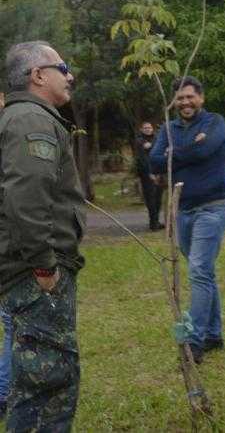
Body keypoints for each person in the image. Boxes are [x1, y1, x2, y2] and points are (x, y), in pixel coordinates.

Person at [0, 41, 86, 431]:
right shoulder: (32, 121)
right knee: (47, 381)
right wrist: (44, 267)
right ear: (37, 75)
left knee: (41, 377)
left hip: (27, 270)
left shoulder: (25, 118)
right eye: (61, 67)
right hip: (34, 275)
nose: (69, 76)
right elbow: (27, 199)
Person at [150, 76, 225, 364]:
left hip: (212, 208)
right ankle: (213, 334)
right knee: (203, 272)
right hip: (181, 210)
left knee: (198, 270)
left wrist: (175, 154)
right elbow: (154, 162)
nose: (185, 102)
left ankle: (194, 342)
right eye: (180, 98)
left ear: (201, 98)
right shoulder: (168, 129)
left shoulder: (215, 123)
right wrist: (182, 152)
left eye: (190, 97)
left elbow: (205, 149)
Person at [134, 121, 164, 231]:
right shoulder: (139, 141)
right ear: (141, 130)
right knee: (150, 199)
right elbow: (143, 160)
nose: (148, 129)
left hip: (158, 173)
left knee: (158, 198)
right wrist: (150, 173)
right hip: (147, 174)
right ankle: (153, 224)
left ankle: (156, 221)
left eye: (149, 127)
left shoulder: (156, 139)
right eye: (145, 128)